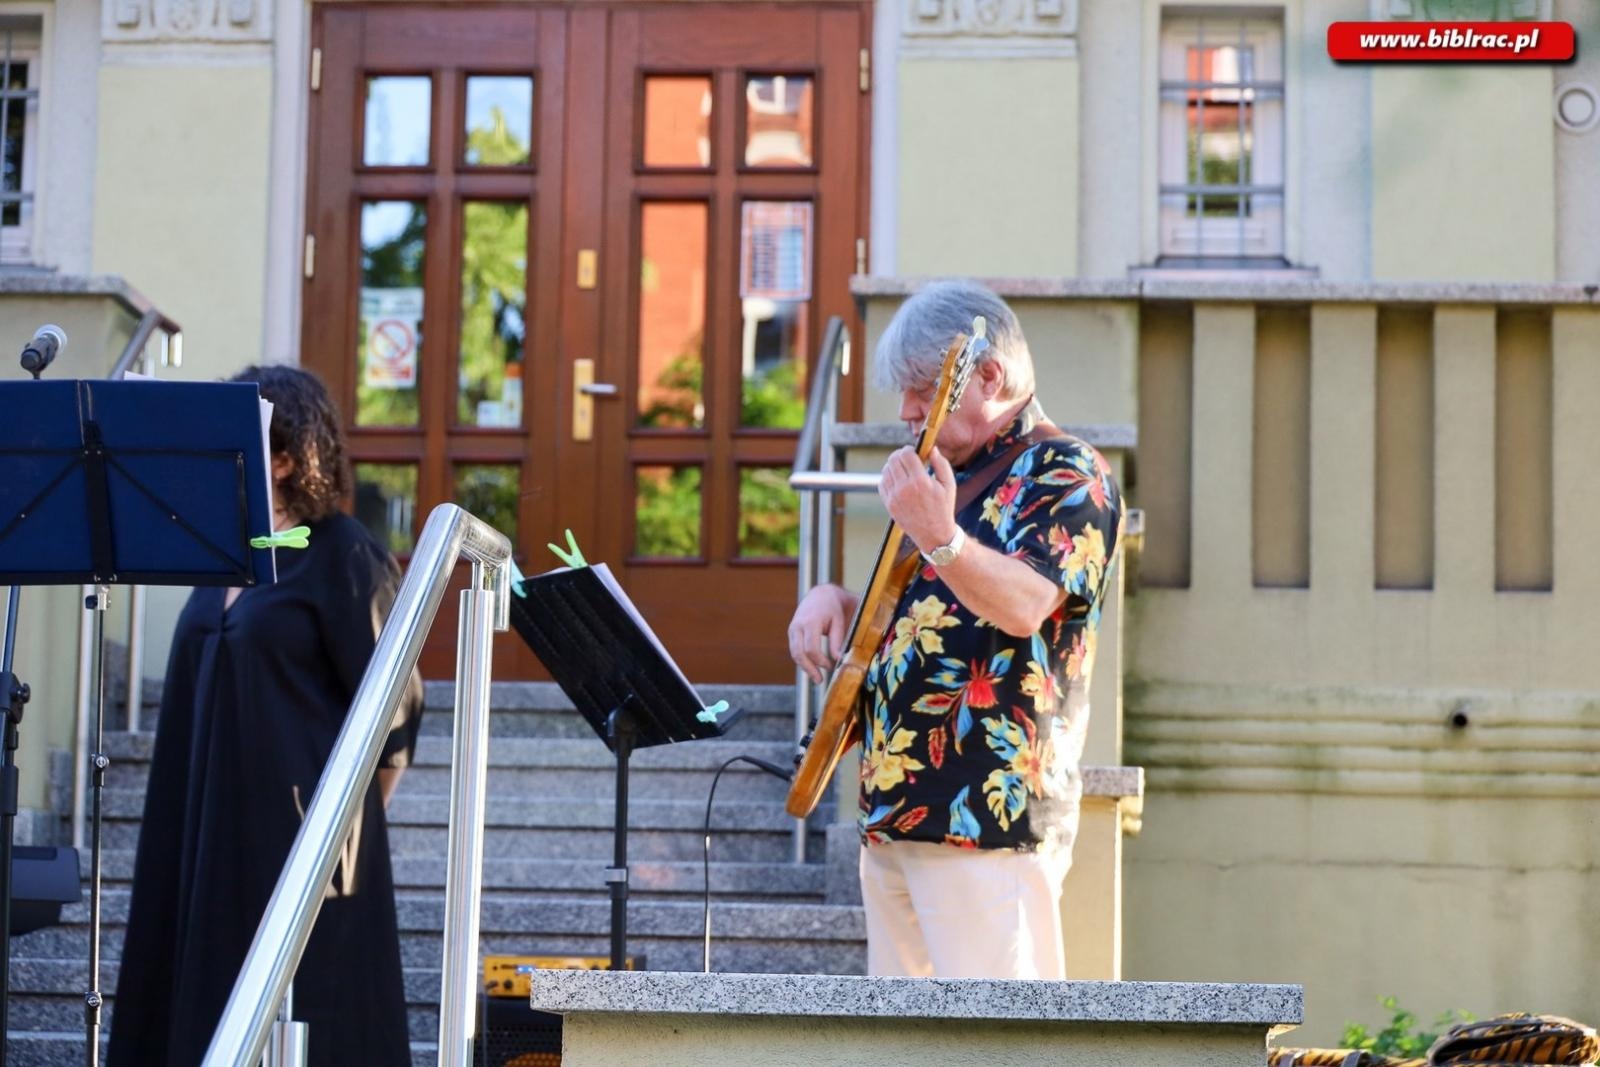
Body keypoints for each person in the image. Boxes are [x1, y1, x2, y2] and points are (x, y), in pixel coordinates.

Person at [787, 279, 1123, 980]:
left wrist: (939, 534)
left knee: (996, 1049)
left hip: (986, 813)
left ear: (990, 376)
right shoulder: (954, 474)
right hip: (898, 811)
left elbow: (1026, 603)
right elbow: (932, 607)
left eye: (920, 389)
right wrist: (836, 599)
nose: (908, 412)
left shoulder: (1068, 472)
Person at [109, 365, 423, 1066]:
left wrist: (336, 828)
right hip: (200, 831)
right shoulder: (226, 552)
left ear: (285, 457)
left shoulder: (345, 555)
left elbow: (394, 715)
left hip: (296, 842)